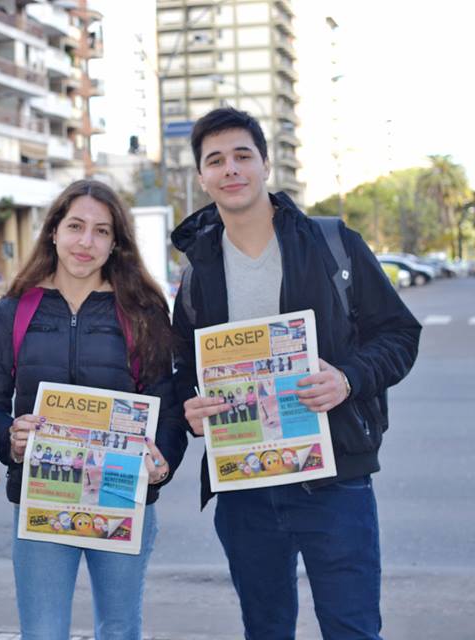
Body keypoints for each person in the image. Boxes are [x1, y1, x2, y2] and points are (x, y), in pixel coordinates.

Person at [172, 107, 421, 640]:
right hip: (245, 486)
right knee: (266, 630)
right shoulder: (197, 273)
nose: (230, 169)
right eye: (216, 160)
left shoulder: (332, 244)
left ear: (266, 164)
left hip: (335, 479)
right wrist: (191, 406)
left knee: (352, 629)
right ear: (202, 177)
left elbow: (400, 334)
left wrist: (348, 379)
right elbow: (184, 373)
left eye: (242, 155)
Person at [0, 179, 189, 639]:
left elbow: (168, 410)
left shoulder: (143, 312)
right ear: (54, 231)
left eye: (101, 231)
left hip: (122, 497)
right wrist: (9, 437)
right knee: (43, 633)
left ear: (115, 243)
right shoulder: (12, 312)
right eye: (75, 226)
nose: (86, 242)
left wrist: (163, 463)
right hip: (41, 502)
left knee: (120, 629)